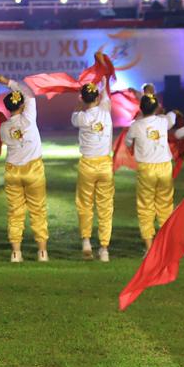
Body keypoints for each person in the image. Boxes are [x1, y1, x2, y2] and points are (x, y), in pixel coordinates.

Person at [0, 74, 48, 263]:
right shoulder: (29, 118)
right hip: (33, 170)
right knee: (38, 210)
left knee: (15, 212)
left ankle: (16, 253)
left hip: (12, 172)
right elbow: (28, 93)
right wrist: (8, 83)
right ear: (22, 105)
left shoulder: (3, 128)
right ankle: (42, 252)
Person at [125, 87, 179, 252]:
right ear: (157, 108)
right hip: (164, 167)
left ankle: (149, 248)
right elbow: (172, 117)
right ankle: (166, 245)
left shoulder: (135, 126)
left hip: (146, 169)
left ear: (140, 108)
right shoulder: (163, 121)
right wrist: (174, 112)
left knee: (145, 206)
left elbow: (128, 142)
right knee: (165, 204)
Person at [71, 81, 114, 261]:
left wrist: (80, 102)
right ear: (97, 98)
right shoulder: (105, 112)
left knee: (85, 204)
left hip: (87, 165)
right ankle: (104, 249)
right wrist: (103, 82)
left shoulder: (80, 117)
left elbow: (75, 113)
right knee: (105, 206)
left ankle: (86, 241)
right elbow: (106, 97)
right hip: (105, 165)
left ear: (83, 99)